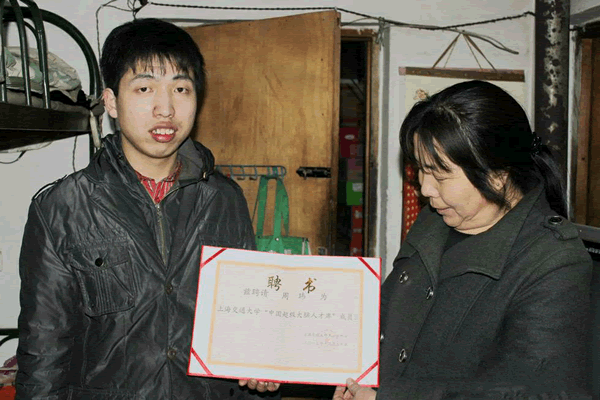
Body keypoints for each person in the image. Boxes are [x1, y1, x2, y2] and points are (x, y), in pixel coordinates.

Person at [16, 18, 279, 399]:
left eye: (181, 89)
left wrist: (264, 364)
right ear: (111, 102)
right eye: (144, 88)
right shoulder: (62, 208)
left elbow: (247, 322)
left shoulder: (225, 199)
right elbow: (44, 353)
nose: (165, 109)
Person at [334, 80, 593, 399]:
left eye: (439, 175)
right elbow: (385, 316)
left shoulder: (554, 261)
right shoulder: (436, 218)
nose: (425, 189)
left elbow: (534, 392)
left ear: (497, 175)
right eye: (421, 170)